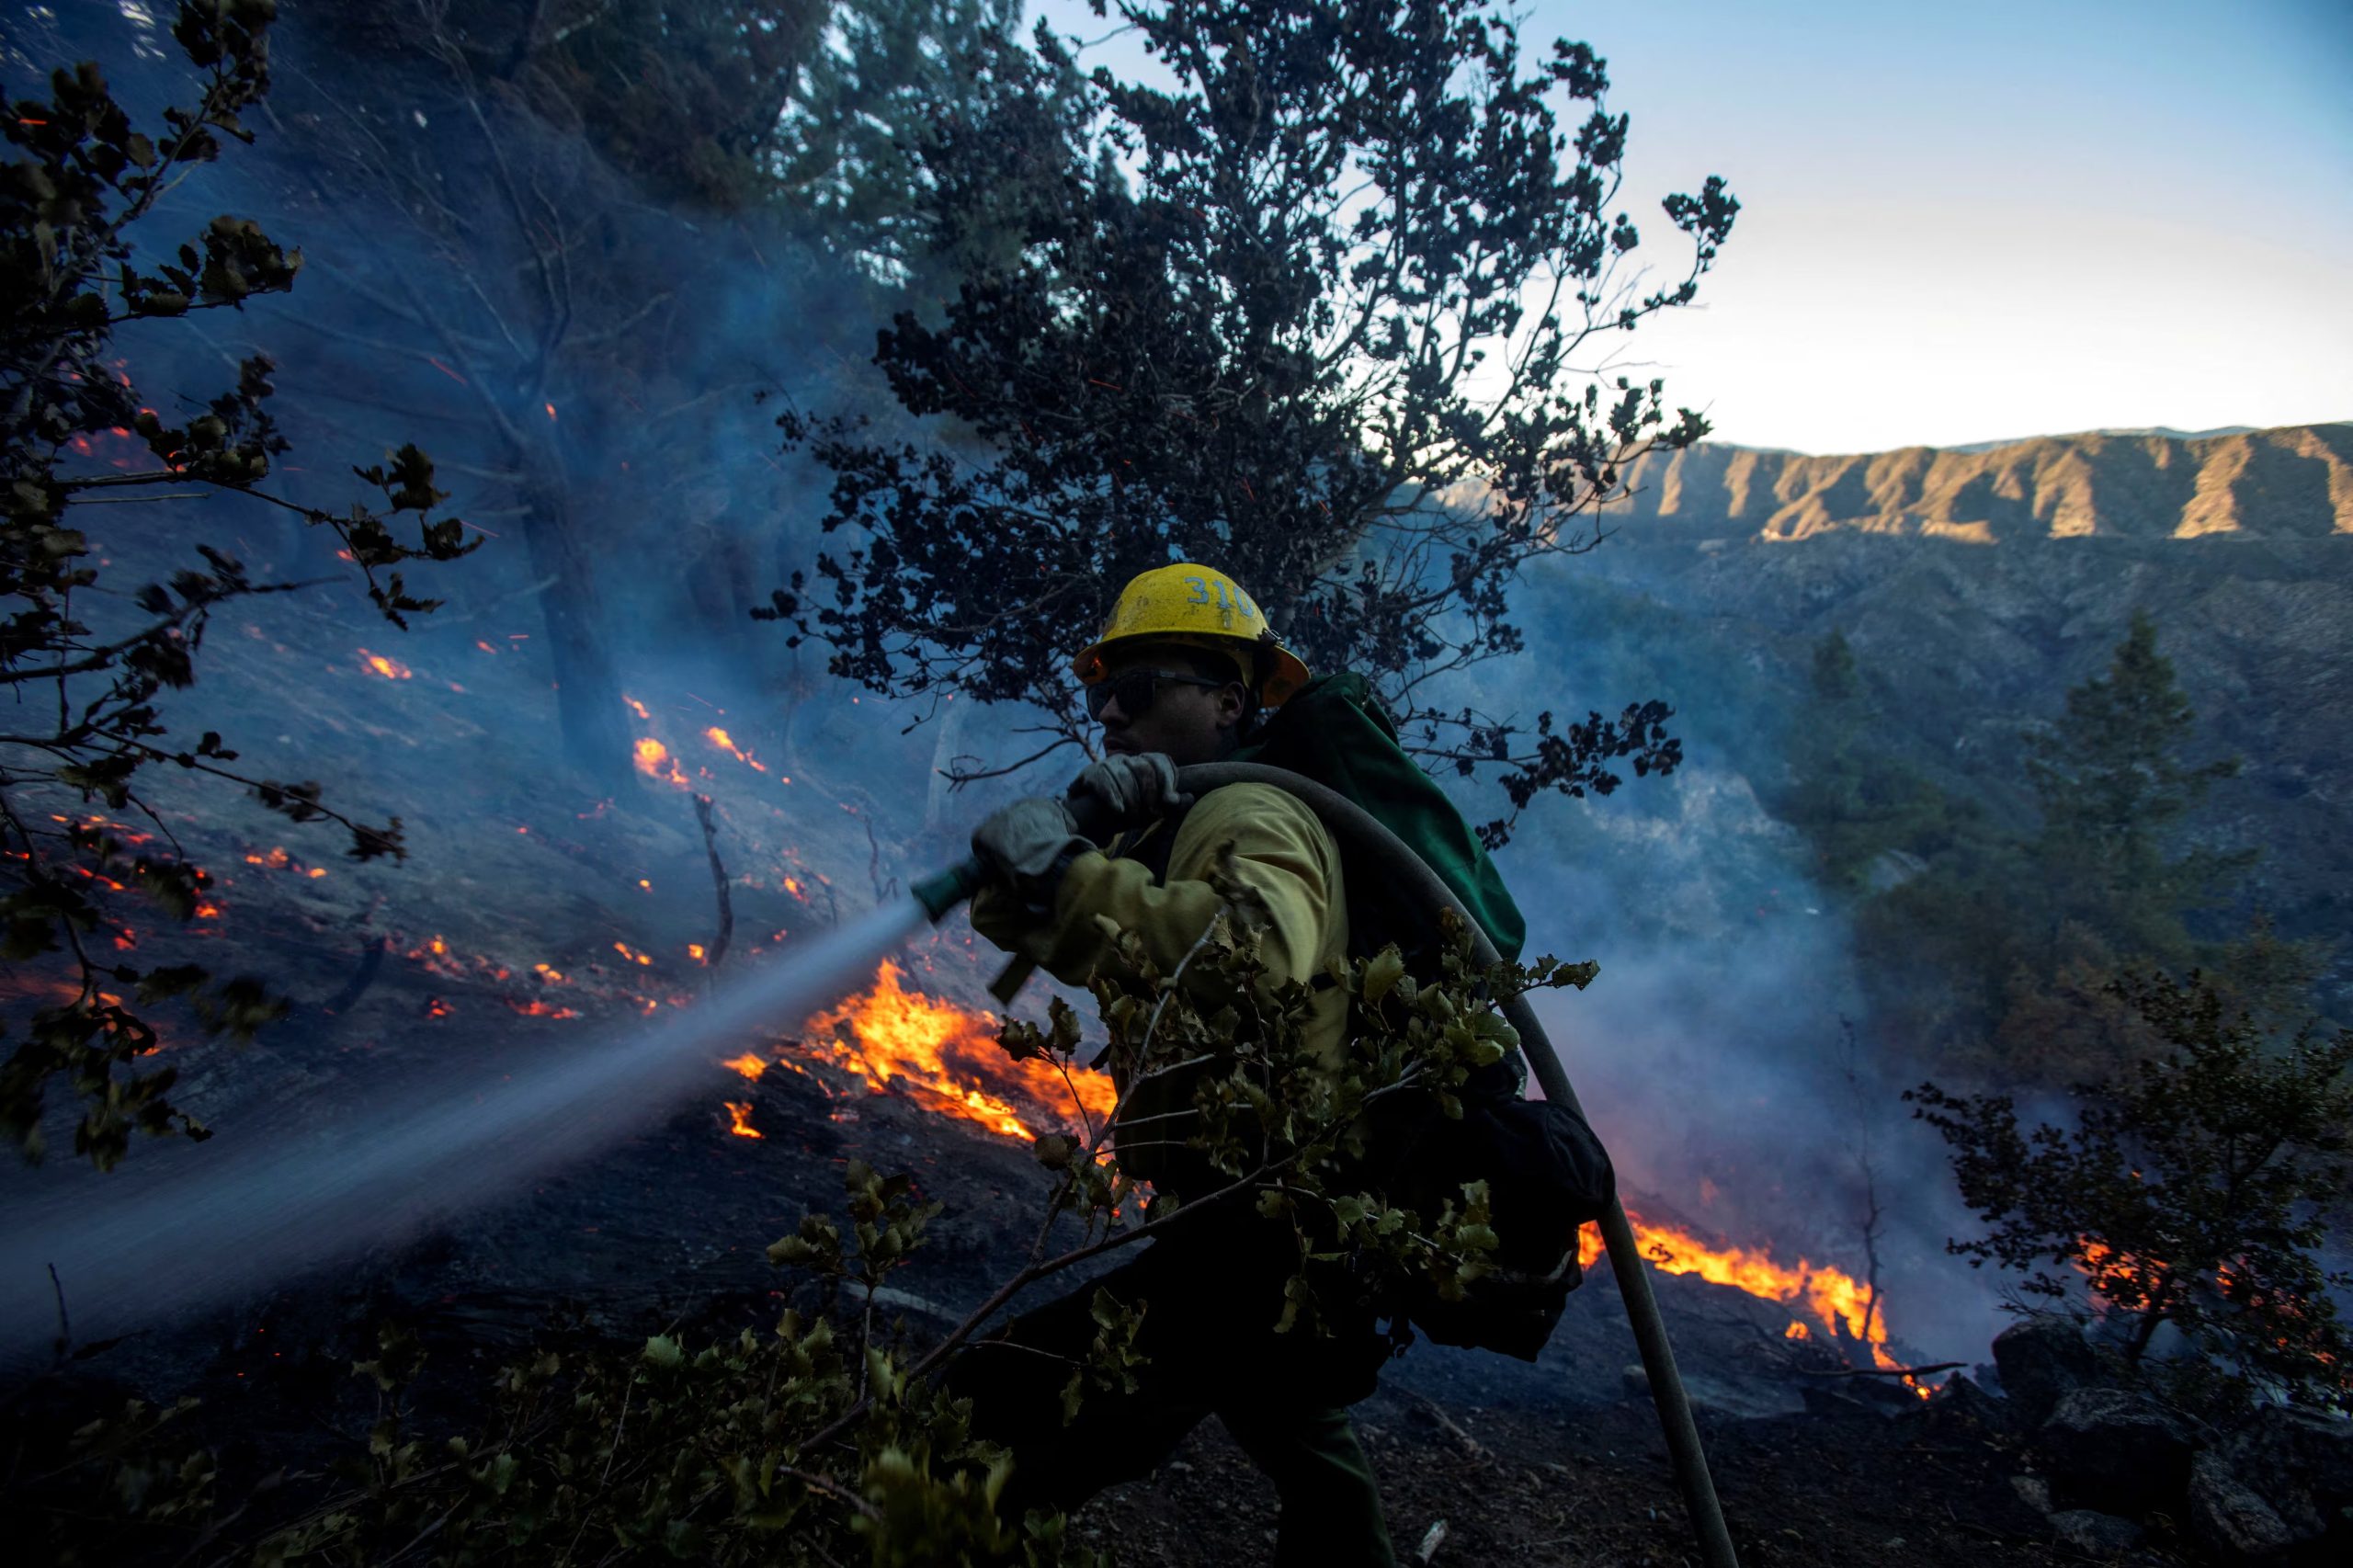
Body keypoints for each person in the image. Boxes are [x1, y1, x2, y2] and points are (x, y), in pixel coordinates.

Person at [951, 562, 1397, 1566]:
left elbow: (1254, 964)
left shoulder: (1252, 816)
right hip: (1252, 1216)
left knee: (998, 1423)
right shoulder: (1177, 822)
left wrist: (1070, 869)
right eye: (1102, 692)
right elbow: (1033, 919)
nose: (1109, 712)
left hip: (1254, 1231)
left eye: (1139, 690)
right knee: (1298, 1431)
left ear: (1228, 700)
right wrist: (1075, 830)